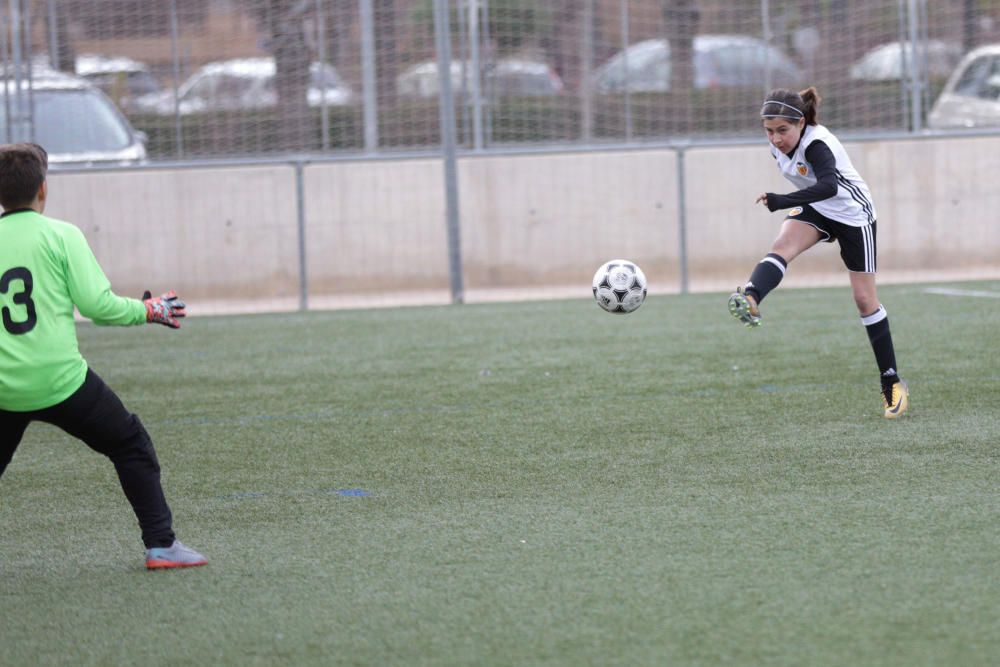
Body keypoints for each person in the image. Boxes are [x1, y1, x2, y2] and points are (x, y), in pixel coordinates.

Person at [0, 142, 207, 568]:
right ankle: (161, 546)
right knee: (131, 443)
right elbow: (98, 306)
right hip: (61, 382)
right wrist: (149, 310)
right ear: (43, 189)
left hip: (3, 389)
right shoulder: (61, 235)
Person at [728, 88, 909, 419]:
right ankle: (751, 298)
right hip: (817, 208)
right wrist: (790, 201)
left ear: (800, 123)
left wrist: (782, 200)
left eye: (783, 130)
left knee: (864, 300)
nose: (776, 138)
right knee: (782, 246)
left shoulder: (817, 143)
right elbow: (817, 192)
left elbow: (830, 186)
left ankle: (891, 381)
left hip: (854, 216)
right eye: (769, 130)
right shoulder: (777, 146)